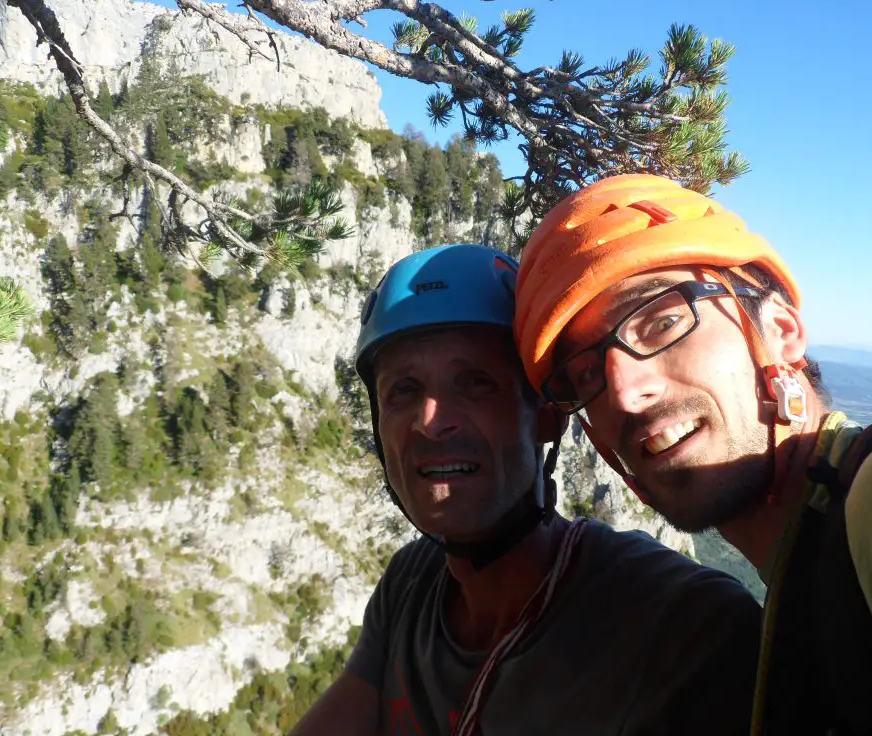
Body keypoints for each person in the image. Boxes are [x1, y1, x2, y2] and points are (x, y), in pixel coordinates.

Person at [513, 173, 872, 735]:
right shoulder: (805, 588)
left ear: (781, 330)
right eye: (584, 375)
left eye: (661, 321)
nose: (624, 391)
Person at [291, 243, 763, 736]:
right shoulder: (411, 584)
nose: (430, 422)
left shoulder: (682, 627)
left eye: (475, 383)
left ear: (546, 414)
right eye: (403, 391)